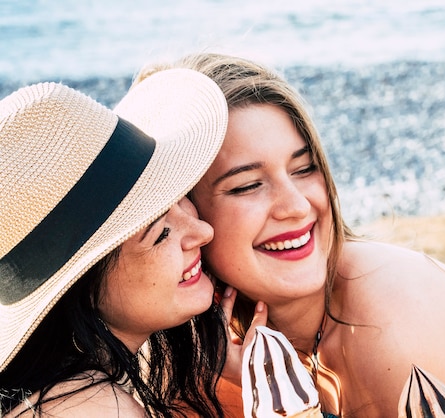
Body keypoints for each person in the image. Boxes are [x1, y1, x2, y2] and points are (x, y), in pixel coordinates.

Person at [135, 54, 445, 417]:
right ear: (184, 210)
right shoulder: (200, 339)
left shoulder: (401, 325)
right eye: (248, 185)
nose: (297, 206)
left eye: (303, 168)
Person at [0, 68, 267, 417]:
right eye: (160, 234)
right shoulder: (98, 409)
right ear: (84, 285)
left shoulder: (58, 394)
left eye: (181, 197)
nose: (203, 231)